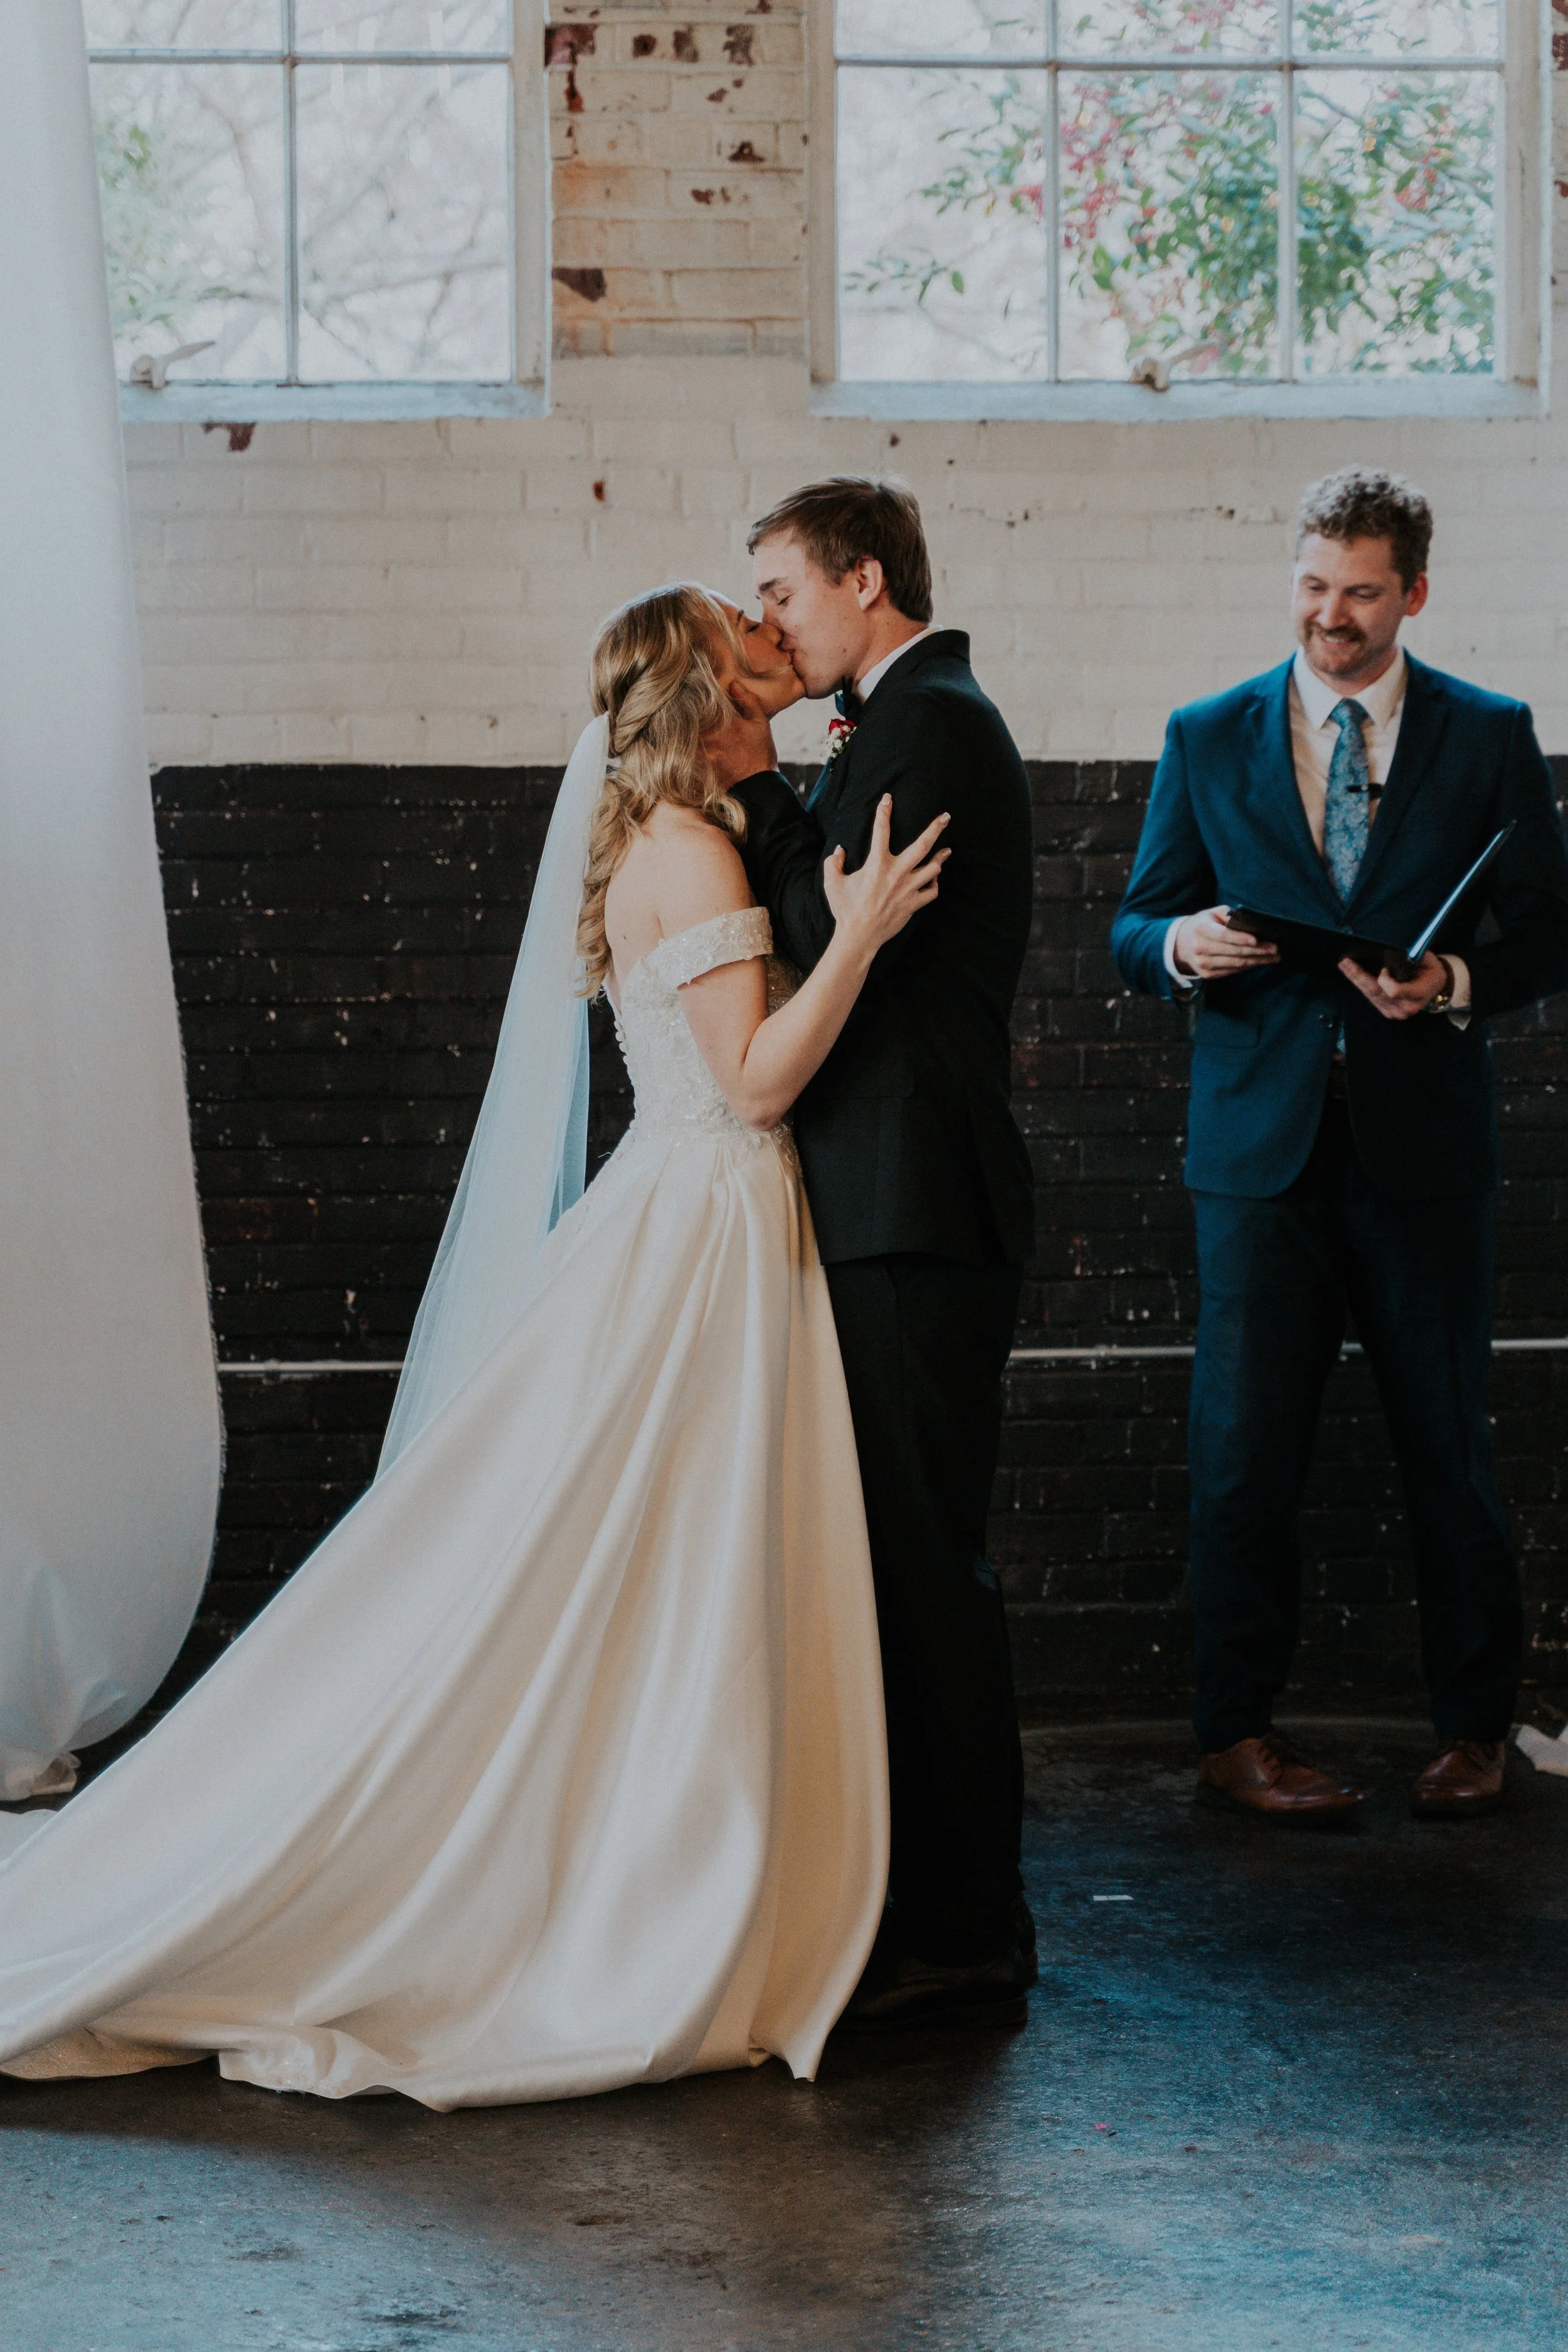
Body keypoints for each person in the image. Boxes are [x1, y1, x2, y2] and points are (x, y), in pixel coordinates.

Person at [0, 584, 951, 2106]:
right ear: (703, 687)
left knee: (645, 1570)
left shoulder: (656, 833)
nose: (768, 639)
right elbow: (759, 1081)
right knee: (672, 1563)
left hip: (693, 1219)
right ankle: (646, 1887)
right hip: (706, 1226)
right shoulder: (692, 847)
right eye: (743, 634)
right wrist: (857, 935)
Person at [1112, 467, 1568, 1824]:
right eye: (1310, 586)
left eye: (1359, 593)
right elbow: (1133, 927)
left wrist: (1453, 987)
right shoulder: (1206, 734)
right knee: (1241, 1447)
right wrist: (1181, 946)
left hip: (1422, 1149)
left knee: (1447, 1446)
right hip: (1256, 1155)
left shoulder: (1488, 734)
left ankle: (1474, 1731)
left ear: (1411, 594)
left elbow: (1548, 928)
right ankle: (1233, 1732)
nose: (1329, 615)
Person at [703, 477, 1038, 2030]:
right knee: (890, 1564)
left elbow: (815, 918)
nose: (766, 618)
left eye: (779, 588)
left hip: (915, 1198)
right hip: (882, 1193)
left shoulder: (930, 720)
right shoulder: (886, 720)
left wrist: (752, 784)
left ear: (861, 578)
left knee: (925, 1569)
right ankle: (907, 1892)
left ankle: (965, 1926)